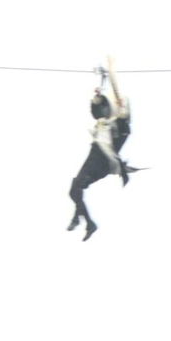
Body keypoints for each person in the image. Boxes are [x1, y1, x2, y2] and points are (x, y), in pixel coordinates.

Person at [67, 78, 135, 241]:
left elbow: (119, 112)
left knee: (76, 187)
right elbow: (99, 111)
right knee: (74, 189)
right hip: (95, 156)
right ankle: (85, 221)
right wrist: (98, 97)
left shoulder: (122, 128)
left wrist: (115, 94)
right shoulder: (107, 123)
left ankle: (84, 221)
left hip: (101, 161)